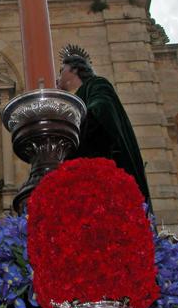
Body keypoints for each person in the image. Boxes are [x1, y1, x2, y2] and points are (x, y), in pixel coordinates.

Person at [56, 45, 153, 212]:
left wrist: (72, 125)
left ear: (74, 70)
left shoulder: (96, 84)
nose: (58, 76)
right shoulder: (73, 98)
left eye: (61, 70)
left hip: (105, 164)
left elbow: (102, 107)